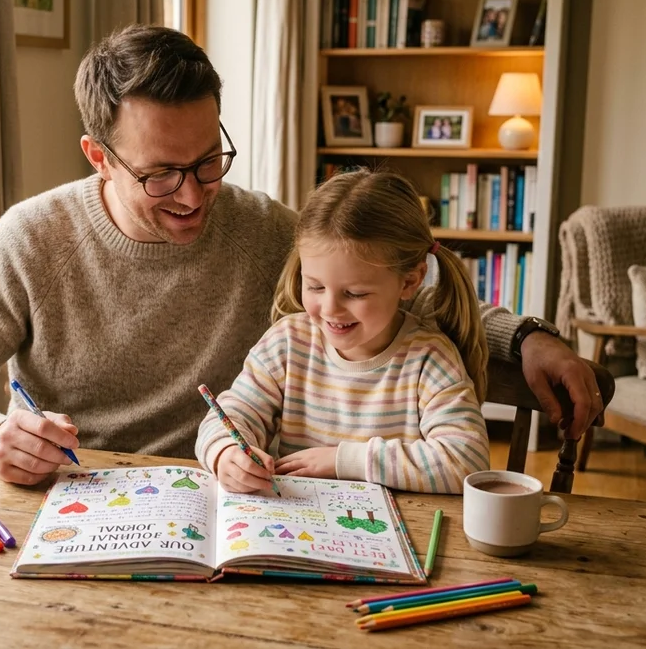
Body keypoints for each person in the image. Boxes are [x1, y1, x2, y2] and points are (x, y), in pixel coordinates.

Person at [0, 24, 603, 486]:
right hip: (82, 502)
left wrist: (528, 338)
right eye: (160, 175)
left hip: (235, 495)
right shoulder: (31, 238)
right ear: (97, 158)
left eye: (209, 162)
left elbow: (390, 288)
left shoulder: (264, 229)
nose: (195, 196)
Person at [196, 170, 489, 494]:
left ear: (409, 281)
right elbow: (231, 415)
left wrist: (345, 461)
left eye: (355, 294)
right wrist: (225, 453)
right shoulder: (288, 343)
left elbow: (468, 460)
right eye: (315, 286)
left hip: (397, 533)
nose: (330, 308)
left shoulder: (428, 359)